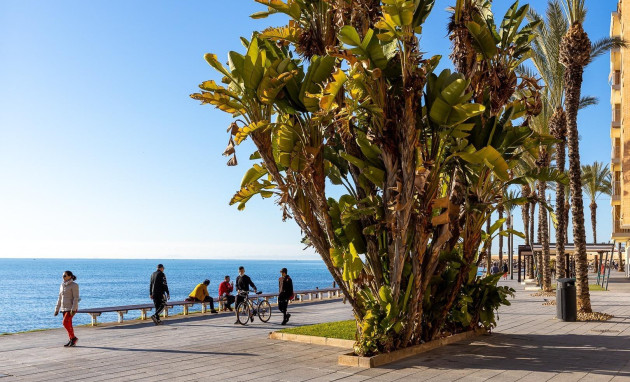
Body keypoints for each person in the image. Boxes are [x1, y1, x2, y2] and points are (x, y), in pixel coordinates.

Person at [54, 270, 80, 347]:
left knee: (65, 322)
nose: (63, 277)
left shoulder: (74, 285)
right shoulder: (62, 285)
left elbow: (76, 298)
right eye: (63, 275)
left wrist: (73, 308)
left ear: (70, 276)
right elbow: (60, 297)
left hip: (71, 308)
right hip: (63, 308)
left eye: (65, 275)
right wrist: (57, 309)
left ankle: (73, 338)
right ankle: (71, 340)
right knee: (69, 324)